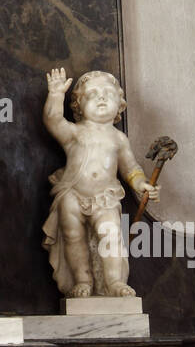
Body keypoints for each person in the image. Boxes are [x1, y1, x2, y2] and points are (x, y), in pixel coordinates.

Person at [41, 68, 158, 299]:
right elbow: (53, 120)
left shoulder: (118, 138)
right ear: (78, 105)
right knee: (73, 236)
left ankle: (114, 281)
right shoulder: (75, 133)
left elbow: (130, 168)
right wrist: (55, 95)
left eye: (108, 93)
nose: (102, 97)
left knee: (111, 234)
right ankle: (82, 280)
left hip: (106, 196)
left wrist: (142, 184)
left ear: (120, 104)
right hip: (72, 194)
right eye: (93, 94)